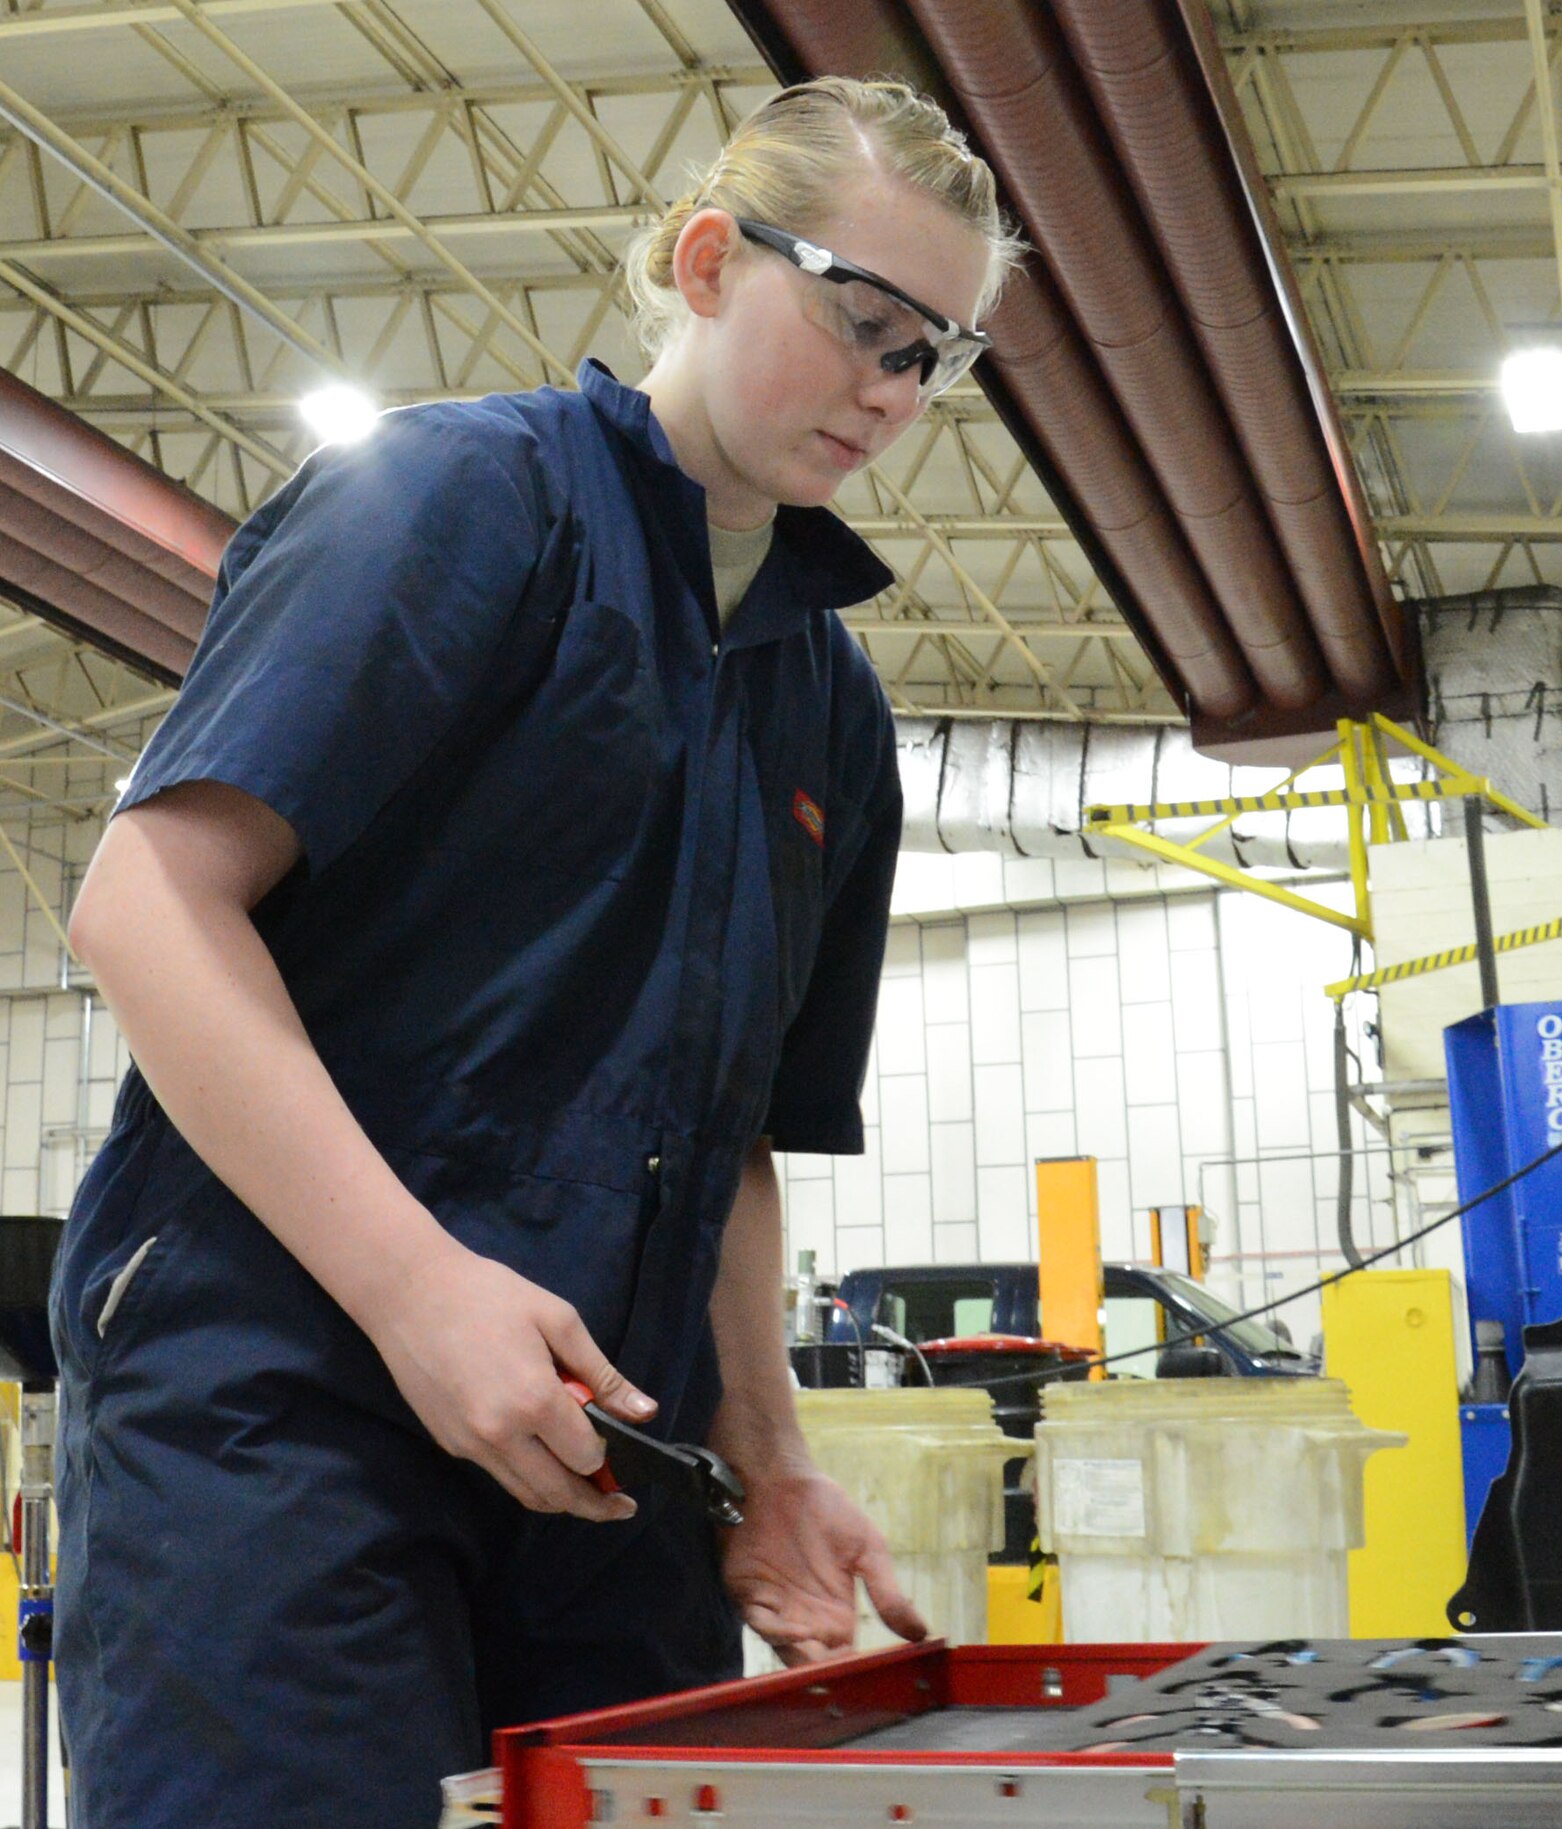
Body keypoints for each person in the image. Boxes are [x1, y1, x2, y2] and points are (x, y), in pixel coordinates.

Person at [49, 75, 1022, 1828]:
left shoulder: (831, 710)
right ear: (714, 260)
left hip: (604, 1469)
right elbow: (144, 902)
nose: (892, 394)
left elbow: (728, 1125)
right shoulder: (462, 507)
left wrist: (769, 1456)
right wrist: (420, 1293)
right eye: (866, 324)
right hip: (282, 1419)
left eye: (933, 360)